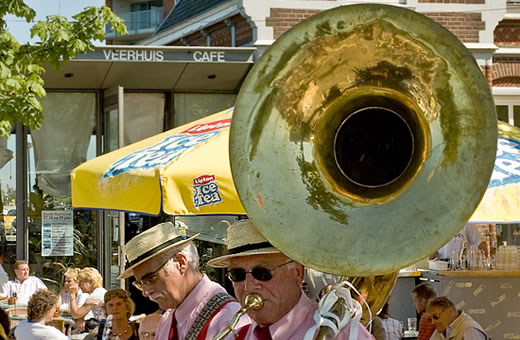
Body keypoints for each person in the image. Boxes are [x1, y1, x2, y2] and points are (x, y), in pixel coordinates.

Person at [207, 219, 374, 340]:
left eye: (263, 273)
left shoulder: (344, 335)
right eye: (238, 274)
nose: (249, 286)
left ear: (298, 272)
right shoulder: (235, 336)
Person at [118, 221, 247, 340]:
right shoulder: (167, 320)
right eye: (140, 283)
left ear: (180, 263)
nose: (145, 292)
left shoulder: (230, 319)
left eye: (150, 278)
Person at [59, 267, 90, 331]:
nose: (66, 283)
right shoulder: (65, 294)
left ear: (77, 282)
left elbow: (77, 313)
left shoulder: (83, 294)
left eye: (69, 281)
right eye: (65, 281)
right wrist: (60, 294)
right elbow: (56, 308)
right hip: (65, 323)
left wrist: (64, 310)